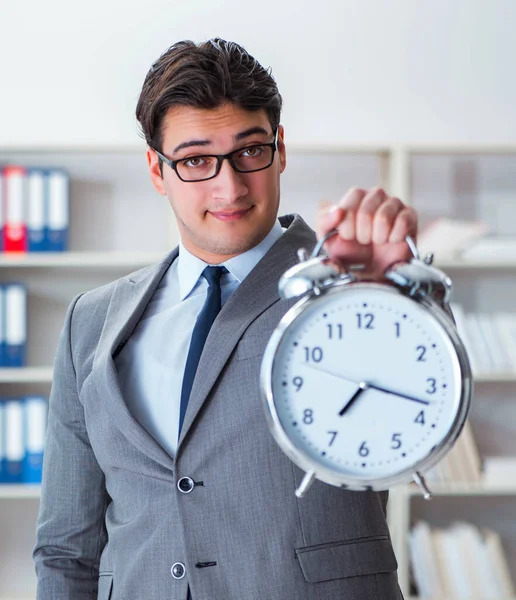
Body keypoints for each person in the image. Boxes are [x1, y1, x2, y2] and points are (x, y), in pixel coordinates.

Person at [33, 38, 417, 600]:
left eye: (249, 151)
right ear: (156, 170)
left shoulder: (348, 289)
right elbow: (67, 547)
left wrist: (394, 296)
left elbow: (421, 405)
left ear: (280, 149)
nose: (230, 186)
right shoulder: (92, 321)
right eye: (194, 160)